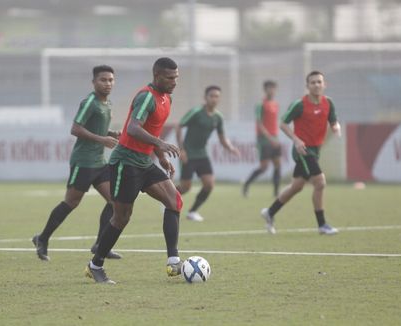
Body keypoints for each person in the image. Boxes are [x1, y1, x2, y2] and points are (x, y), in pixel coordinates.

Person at [85, 57, 181, 284]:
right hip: (125, 162)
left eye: (176, 77)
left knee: (174, 201)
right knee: (121, 218)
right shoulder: (146, 96)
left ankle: (173, 261)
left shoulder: (167, 97)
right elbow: (133, 128)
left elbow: (152, 129)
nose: (174, 81)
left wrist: (161, 157)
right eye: (170, 78)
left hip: (144, 162)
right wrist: (161, 145)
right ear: (157, 76)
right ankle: (95, 265)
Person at [32, 65, 122, 261]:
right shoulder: (90, 102)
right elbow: (75, 129)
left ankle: (100, 246)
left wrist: (110, 134)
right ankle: (42, 238)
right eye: (103, 80)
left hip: (99, 162)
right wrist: (102, 140)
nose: (108, 83)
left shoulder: (108, 104)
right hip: (83, 162)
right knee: (71, 202)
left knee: (115, 202)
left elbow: (95, 128)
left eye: (110, 80)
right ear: (94, 82)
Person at [261, 71, 341, 235]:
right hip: (302, 150)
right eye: (313, 82)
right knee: (320, 182)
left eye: (319, 82)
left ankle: (270, 212)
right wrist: (296, 140)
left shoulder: (328, 103)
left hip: (316, 150)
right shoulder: (300, 104)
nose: (317, 85)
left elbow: (333, 120)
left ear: (324, 85)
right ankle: (322, 225)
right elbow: (283, 124)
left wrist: (335, 127)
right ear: (307, 86)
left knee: (296, 187)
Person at [176, 86, 239, 222]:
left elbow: (222, 138)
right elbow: (179, 126)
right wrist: (181, 150)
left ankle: (192, 212)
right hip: (189, 154)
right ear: (205, 98)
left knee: (209, 184)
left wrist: (231, 148)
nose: (214, 99)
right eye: (212, 96)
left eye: (217, 96)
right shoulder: (196, 112)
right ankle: (167, 199)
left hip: (202, 154)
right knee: (186, 187)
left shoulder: (218, 117)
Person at [242, 80, 282, 197]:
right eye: (269, 88)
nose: (272, 90)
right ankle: (246, 184)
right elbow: (259, 124)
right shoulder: (260, 105)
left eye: (273, 88)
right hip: (264, 139)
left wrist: (275, 137)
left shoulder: (275, 104)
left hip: (275, 138)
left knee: (277, 164)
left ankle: (276, 193)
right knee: (264, 167)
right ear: (265, 90)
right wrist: (270, 138)